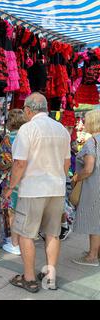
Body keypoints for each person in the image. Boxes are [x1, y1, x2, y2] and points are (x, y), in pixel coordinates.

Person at [4, 92, 71, 293]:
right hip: (56, 189)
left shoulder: (28, 129)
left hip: (33, 190)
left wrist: (9, 188)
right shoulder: (61, 130)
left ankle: (30, 278)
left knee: (26, 234)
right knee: (53, 233)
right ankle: (50, 277)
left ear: (28, 110)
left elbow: (20, 163)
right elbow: (67, 163)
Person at [0, 109, 27, 255]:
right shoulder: (28, 136)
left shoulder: (9, 138)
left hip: (13, 178)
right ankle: (22, 240)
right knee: (24, 210)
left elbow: (4, 160)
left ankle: (15, 243)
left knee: (13, 211)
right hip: (28, 178)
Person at [71, 109, 100, 266]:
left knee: (94, 221)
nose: (83, 123)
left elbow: (89, 169)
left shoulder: (92, 142)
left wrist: (77, 177)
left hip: (94, 186)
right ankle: (95, 252)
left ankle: (92, 256)